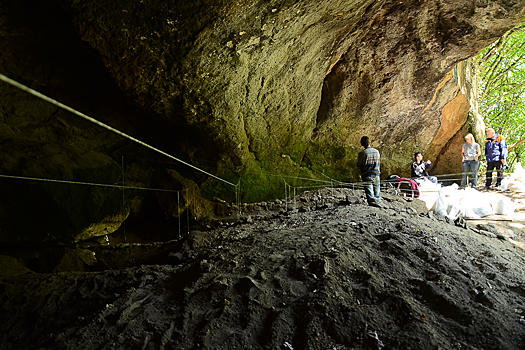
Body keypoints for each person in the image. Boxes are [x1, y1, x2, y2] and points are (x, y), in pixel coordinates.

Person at [357, 136, 382, 206]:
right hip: (376, 174)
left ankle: (372, 206)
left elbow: (359, 166)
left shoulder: (362, 153)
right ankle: (379, 204)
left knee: (370, 194)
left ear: (362, 144)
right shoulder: (377, 152)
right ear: (370, 142)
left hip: (366, 175)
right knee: (377, 193)